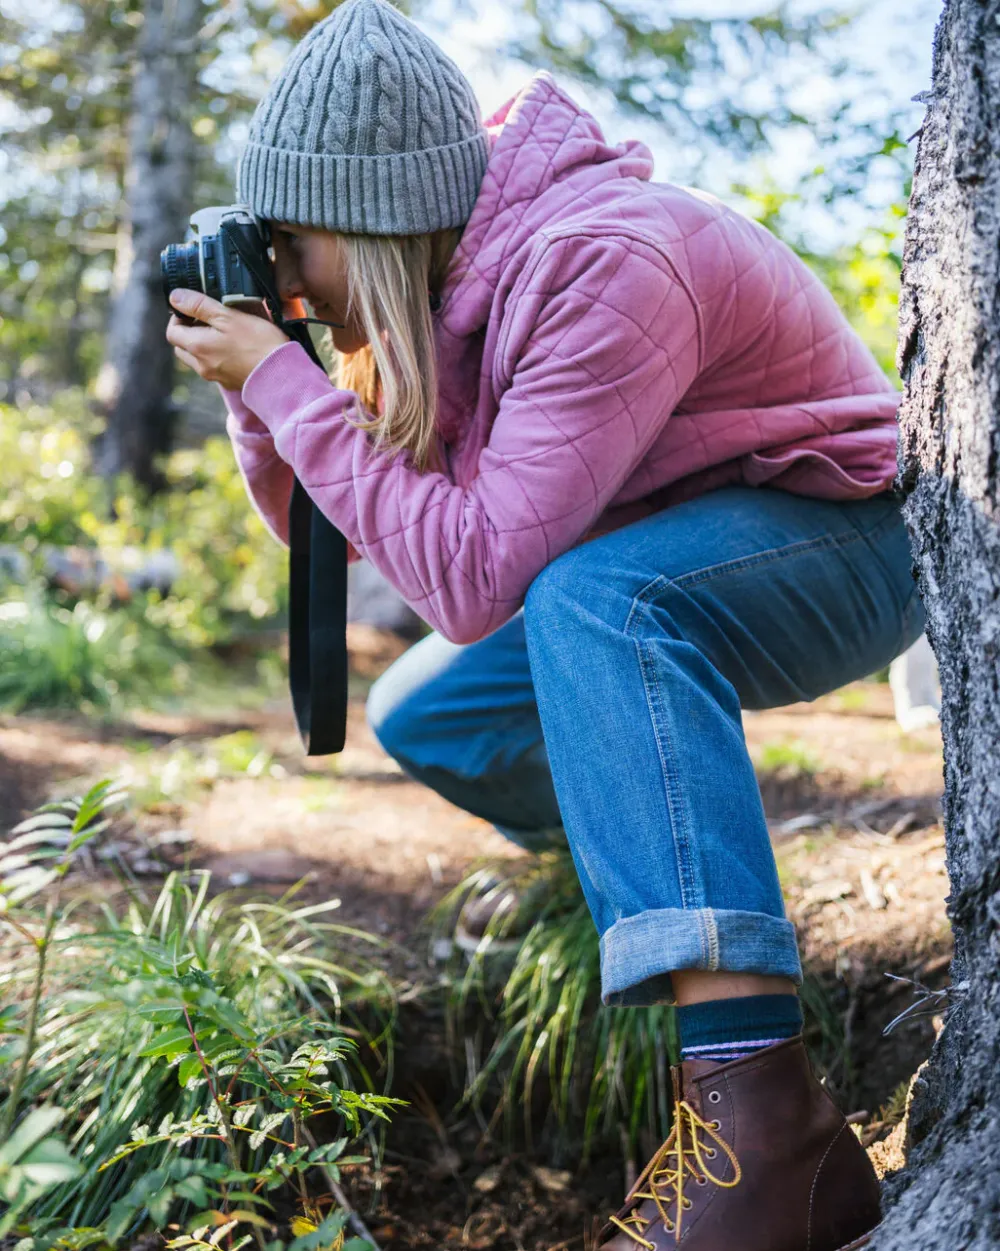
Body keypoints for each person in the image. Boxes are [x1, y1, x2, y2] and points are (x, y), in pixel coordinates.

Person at [165, 1, 924, 1245]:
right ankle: (684, 895)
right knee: (433, 710)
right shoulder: (443, 293)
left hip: (845, 542)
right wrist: (272, 385)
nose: (286, 273)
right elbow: (351, 532)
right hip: (673, 558)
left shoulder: (602, 262)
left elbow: (467, 579)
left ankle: (760, 1120)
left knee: (594, 598)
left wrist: (283, 378)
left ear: (373, 223)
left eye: (294, 244)